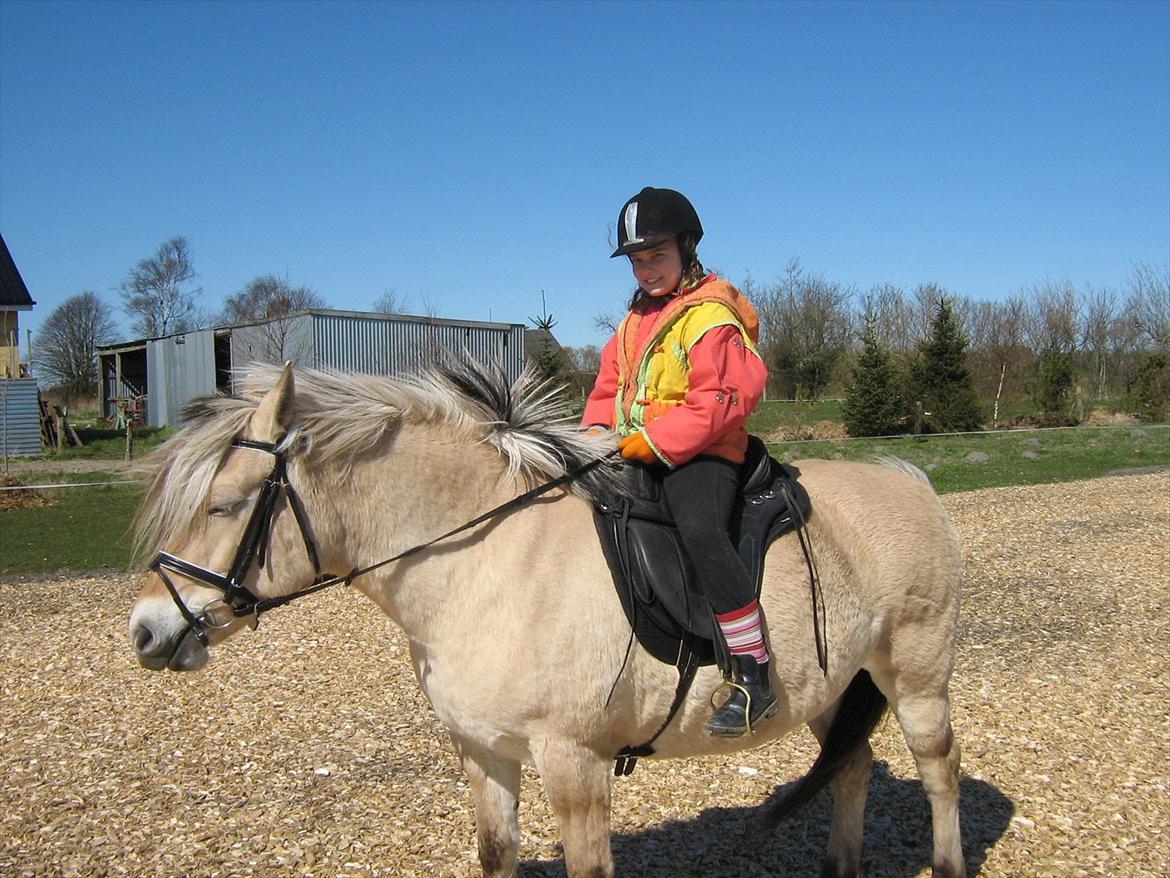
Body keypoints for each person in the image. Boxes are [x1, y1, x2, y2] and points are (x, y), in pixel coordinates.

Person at [582, 186, 776, 737]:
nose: (646, 271)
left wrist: (654, 441)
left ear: (687, 249)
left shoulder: (711, 314)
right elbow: (607, 389)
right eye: (638, 261)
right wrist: (595, 435)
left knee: (699, 527)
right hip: (636, 448)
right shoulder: (631, 323)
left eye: (657, 257)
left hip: (704, 453)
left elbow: (726, 397)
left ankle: (751, 672)